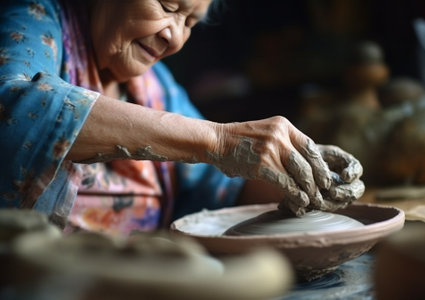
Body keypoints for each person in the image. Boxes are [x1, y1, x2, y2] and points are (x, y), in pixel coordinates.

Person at [0, 0, 364, 236]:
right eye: (168, 5)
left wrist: (307, 178)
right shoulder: (34, 18)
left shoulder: (155, 86)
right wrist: (220, 141)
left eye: (190, 21)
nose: (174, 38)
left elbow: (220, 183)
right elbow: (13, 109)